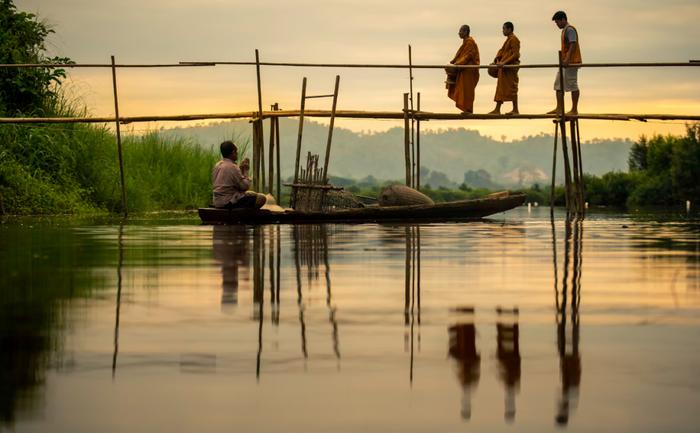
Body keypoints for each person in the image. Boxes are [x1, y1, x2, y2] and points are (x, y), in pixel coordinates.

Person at [212, 140, 266, 209]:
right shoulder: (233, 167)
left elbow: (231, 184)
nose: (237, 153)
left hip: (218, 202)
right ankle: (245, 217)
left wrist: (241, 171)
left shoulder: (217, 165)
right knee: (261, 198)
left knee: (251, 193)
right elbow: (245, 187)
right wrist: (246, 171)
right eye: (236, 152)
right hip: (228, 203)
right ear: (233, 152)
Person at [548, 11, 582, 115]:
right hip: (565, 62)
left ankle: (574, 109)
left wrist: (567, 59)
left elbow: (573, 44)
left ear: (563, 19)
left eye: (558, 22)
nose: (557, 24)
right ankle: (559, 108)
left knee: (572, 84)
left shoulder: (570, 29)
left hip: (571, 62)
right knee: (558, 84)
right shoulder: (564, 31)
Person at [447, 25, 480, 114]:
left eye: (461, 31)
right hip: (465, 69)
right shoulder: (466, 42)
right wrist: (454, 61)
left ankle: (468, 109)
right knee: (463, 89)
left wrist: (458, 63)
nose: (459, 33)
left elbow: (468, 56)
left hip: (469, 70)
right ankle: (467, 109)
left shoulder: (470, 42)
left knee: (467, 90)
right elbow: (461, 54)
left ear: (465, 32)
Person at [489, 22, 520, 115]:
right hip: (504, 68)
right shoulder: (508, 40)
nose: (503, 31)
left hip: (510, 68)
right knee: (500, 88)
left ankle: (515, 110)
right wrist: (497, 61)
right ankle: (497, 109)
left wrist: (504, 63)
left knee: (512, 88)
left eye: (504, 29)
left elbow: (515, 54)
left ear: (509, 29)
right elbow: (502, 52)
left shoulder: (514, 39)